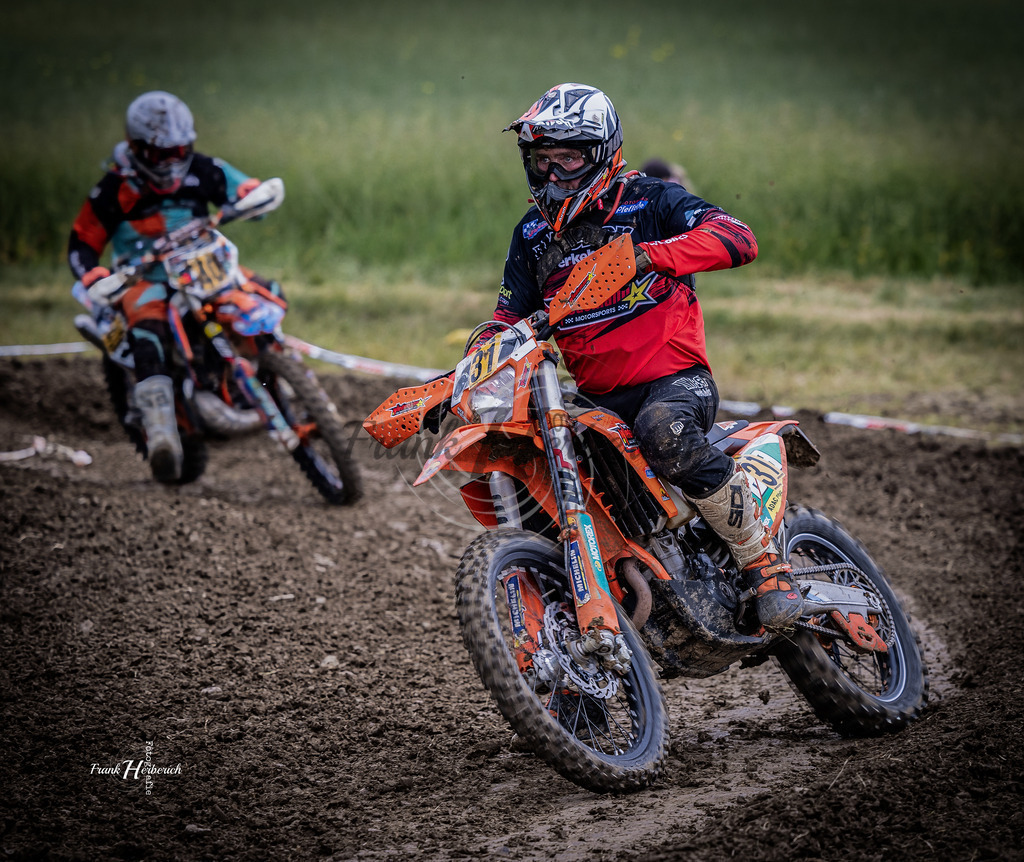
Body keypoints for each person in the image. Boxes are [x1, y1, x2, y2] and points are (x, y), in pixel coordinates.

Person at [488, 83, 802, 632]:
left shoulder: (651, 199)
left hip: (675, 381)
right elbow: (508, 318)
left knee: (665, 430)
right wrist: (476, 356)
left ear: (603, 154)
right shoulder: (532, 235)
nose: (555, 175)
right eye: (543, 161)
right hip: (595, 397)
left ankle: (765, 566)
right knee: (534, 464)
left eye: (569, 158)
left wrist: (649, 257)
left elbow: (739, 237)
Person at [68, 91, 282, 483]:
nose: (170, 161)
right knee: (148, 330)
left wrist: (252, 194)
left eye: (178, 150)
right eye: (159, 154)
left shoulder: (203, 169)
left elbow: (240, 189)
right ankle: (162, 432)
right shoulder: (114, 188)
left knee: (266, 290)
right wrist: (90, 274)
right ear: (136, 147)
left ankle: (275, 375)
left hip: (202, 265)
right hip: (143, 278)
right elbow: (82, 241)